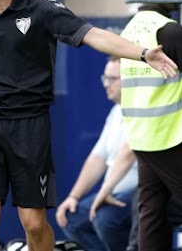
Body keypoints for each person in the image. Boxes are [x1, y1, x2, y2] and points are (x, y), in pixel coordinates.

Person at [0, 0, 177, 251]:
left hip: (30, 125)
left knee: (33, 221)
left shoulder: (42, 9)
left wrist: (143, 53)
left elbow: (94, 35)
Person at [88, 3, 182, 251]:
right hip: (174, 137)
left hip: (143, 140)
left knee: (152, 218)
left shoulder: (129, 31)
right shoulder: (169, 30)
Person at [55, 56, 137, 251]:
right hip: (112, 192)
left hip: (137, 193)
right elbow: (97, 158)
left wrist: (103, 192)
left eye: (112, 79)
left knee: (105, 220)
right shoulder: (116, 111)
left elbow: (128, 154)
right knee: (71, 218)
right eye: (105, 78)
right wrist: (73, 197)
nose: (106, 84)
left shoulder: (141, 109)